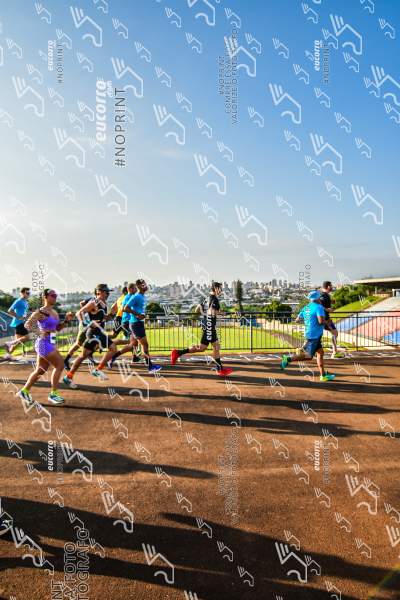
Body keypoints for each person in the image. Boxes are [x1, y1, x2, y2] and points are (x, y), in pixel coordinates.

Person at [16, 289, 74, 405]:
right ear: (45, 297)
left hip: (50, 342)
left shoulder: (54, 312)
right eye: (52, 295)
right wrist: (40, 332)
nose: (55, 297)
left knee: (40, 370)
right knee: (60, 365)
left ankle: (24, 391)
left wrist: (66, 321)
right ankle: (53, 394)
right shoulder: (41, 311)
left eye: (56, 295)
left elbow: (57, 329)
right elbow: (28, 324)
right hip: (43, 343)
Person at [170, 281, 233, 377]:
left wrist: (203, 312)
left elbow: (198, 307)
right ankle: (220, 369)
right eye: (220, 288)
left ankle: (177, 353)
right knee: (213, 347)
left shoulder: (207, 298)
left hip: (207, 325)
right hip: (209, 326)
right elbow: (211, 312)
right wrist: (221, 313)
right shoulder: (214, 299)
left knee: (205, 347)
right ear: (216, 288)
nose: (221, 290)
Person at [63, 284, 117, 386]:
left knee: (84, 355)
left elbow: (104, 318)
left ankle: (69, 376)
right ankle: (71, 376)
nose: (108, 294)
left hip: (99, 332)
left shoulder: (104, 304)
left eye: (108, 292)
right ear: (99, 292)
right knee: (84, 355)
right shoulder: (94, 303)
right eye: (106, 292)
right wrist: (87, 323)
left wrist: (112, 314)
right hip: (93, 333)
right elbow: (79, 313)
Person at [280, 290, 335, 381]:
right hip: (314, 336)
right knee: (308, 357)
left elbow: (297, 319)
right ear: (317, 298)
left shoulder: (306, 307)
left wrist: (308, 321)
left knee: (320, 353)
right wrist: (328, 322)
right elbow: (321, 321)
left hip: (311, 334)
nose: (320, 299)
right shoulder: (319, 307)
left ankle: (323, 375)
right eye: (319, 298)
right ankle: (288, 359)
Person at [122, 279, 161, 373]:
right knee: (144, 344)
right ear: (138, 286)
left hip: (138, 323)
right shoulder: (136, 296)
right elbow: (125, 308)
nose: (145, 286)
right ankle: (150, 367)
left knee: (139, 344)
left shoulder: (142, 296)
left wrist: (141, 315)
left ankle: (149, 365)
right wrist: (137, 315)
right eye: (143, 285)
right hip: (135, 323)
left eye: (145, 284)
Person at [107, 282, 141, 367]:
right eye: (135, 288)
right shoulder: (128, 297)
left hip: (122, 319)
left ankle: (134, 356)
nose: (136, 290)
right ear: (128, 290)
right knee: (131, 341)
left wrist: (111, 316)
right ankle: (108, 343)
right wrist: (137, 314)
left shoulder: (121, 298)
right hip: (124, 320)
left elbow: (113, 307)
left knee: (132, 341)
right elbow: (125, 309)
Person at [63, 296, 98, 370]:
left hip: (91, 325)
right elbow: (81, 303)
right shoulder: (93, 299)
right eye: (106, 293)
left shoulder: (101, 302)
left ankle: (89, 354)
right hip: (84, 325)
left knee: (97, 341)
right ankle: (66, 360)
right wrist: (85, 312)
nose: (107, 295)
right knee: (78, 344)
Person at [320, 281, 344, 359]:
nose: (332, 287)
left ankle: (302, 349)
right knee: (335, 333)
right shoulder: (324, 295)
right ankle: (334, 352)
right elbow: (319, 305)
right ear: (328, 287)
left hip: (324, 318)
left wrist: (332, 301)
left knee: (316, 335)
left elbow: (321, 303)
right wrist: (327, 309)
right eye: (331, 286)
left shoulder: (324, 295)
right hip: (325, 319)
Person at [5, 287, 31, 357]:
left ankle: (8, 355)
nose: (28, 294)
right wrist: (19, 317)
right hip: (19, 322)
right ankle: (9, 343)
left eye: (29, 293)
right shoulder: (18, 301)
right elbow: (10, 311)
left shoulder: (26, 302)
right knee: (27, 337)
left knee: (18, 342)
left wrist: (28, 316)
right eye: (27, 293)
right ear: (22, 293)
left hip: (23, 322)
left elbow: (24, 312)